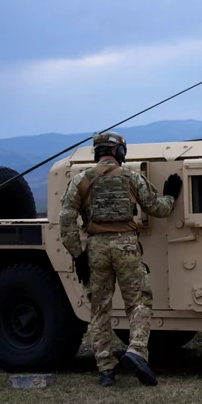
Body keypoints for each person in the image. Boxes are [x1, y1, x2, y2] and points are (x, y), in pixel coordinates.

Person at [58, 131, 182, 387]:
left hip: (95, 249)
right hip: (125, 245)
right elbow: (158, 209)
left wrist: (77, 255)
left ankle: (105, 369)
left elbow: (66, 219)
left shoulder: (80, 180)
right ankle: (136, 351)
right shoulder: (132, 177)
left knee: (99, 307)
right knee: (138, 301)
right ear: (118, 152)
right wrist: (170, 195)